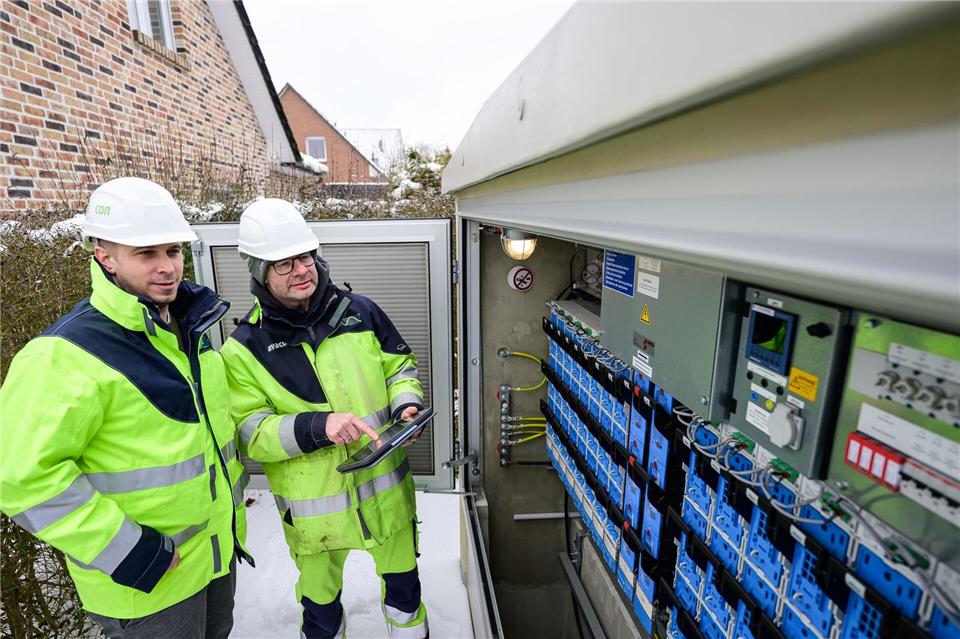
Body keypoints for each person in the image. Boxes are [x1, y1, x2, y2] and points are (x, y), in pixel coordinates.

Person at [0, 177, 252, 639]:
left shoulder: (187, 330)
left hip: (212, 560)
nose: (167, 268)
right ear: (105, 256)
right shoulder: (62, 355)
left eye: (173, 251)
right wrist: (131, 553)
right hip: (142, 584)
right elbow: (22, 478)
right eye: (146, 253)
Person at [220, 198, 428, 639]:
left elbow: (399, 367)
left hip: (387, 497)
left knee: (406, 600)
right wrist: (318, 426)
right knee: (320, 613)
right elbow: (248, 432)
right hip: (315, 514)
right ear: (259, 271)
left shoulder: (361, 312)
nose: (302, 270)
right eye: (284, 264)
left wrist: (404, 407)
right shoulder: (242, 349)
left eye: (306, 256)